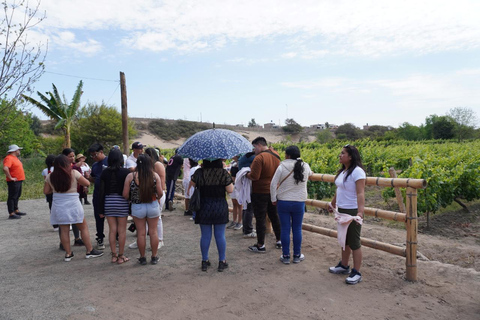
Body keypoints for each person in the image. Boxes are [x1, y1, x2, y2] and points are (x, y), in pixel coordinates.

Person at [44, 155, 104, 261]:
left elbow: (46, 191)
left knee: (64, 230)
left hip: (59, 204)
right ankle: (89, 250)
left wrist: (54, 190)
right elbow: (87, 183)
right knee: (83, 227)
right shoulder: (73, 173)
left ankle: (68, 253)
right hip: (73, 203)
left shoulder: (50, 176)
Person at [328, 144, 366, 285]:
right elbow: (340, 189)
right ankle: (344, 265)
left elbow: (361, 192)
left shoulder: (357, 172)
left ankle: (356, 272)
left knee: (354, 242)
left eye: (343, 153)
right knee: (344, 240)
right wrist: (333, 203)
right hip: (342, 209)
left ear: (350, 156)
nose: (340, 155)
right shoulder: (344, 171)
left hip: (352, 210)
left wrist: (360, 212)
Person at [270, 145, 313, 264]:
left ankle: (286, 255)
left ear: (287, 155)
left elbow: (273, 184)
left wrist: (273, 198)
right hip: (299, 202)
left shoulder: (282, 166)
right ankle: (297, 255)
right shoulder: (305, 166)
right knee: (297, 228)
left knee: (285, 229)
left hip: (283, 201)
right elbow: (310, 173)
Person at [189, 159, 234, 272]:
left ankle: (204, 261)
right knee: (220, 235)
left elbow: (191, 186)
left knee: (205, 235)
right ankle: (222, 261)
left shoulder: (199, 172)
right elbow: (230, 190)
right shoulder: (223, 173)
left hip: (204, 206)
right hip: (219, 206)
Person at [123, 154, 163, 265]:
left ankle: (142, 257)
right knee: (153, 232)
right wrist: (156, 198)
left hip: (137, 206)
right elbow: (160, 193)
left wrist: (132, 198)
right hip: (153, 204)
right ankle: (154, 257)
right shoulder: (154, 176)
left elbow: (125, 194)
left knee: (141, 233)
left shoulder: (131, 176)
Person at [246, 137, 282, 253]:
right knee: (274, 216)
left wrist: (246, 174)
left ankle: (260, 244)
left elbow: (254, 176)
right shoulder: (276, 155)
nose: (254, 150)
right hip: (273, 191)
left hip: (260, 192)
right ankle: (279, 240)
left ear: (259, 145)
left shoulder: (259, 158)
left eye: (254, 147)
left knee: (260, 218)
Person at [99, 148, 131, 264]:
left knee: (112, 230)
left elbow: (101, 192)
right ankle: (121, 256)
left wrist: (100, 209)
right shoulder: (126, 172)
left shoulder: (104, 172)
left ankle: (113, 255)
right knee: (121, 231)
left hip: (108, 202)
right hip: (122, 202)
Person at [62, 148, 85, 248]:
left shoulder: (75, 167)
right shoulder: (61, 167)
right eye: (70, 156)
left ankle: (77, 238)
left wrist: (83, 186)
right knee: (63, 221)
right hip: (64, 196)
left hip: (76, 194)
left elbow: (82, 179)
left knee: (76, 218)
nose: (72, 158)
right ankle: (63, 243)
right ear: (64, 157)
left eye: (73, 156)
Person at [88, 143, 108, 250]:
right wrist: (88, 177)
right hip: (97, 195)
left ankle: (117, 236)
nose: (93, 157)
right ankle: (100, 237)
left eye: (95, 155)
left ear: (101, 152)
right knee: (98, 218)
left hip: (108, 194)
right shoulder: (95, 166)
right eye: (91, 156)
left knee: (112, 217)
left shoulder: (110, 161)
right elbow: (93, 179)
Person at [3, 144, 26, 219]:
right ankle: (11, 213)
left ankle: (16, 210)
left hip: (18, 180)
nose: (19, 151)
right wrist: (10, 177)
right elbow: (5, 168)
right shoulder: (9, 158)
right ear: (15, 151)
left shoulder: (15, 158)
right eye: (18, 150)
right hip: (14, 181)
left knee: (17, 195)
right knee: (12, 197)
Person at [237, 151, 256, 238]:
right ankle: (248, 230)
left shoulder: (243, 158)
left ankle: (246, 228)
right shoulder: (252, 158)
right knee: (249, 209)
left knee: (246, 209)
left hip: (244, 188)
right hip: (250, 188)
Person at [227, 155, 243, 230]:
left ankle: (240, 222)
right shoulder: (233, 162)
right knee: (234, 203)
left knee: (240, 204)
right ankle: (234, 221)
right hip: (233, 185)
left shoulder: (241, 162)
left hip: (239, 186)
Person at [42, 155, 56, 230]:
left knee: (51, 207)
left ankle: (55, 225)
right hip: (56, 190)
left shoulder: (45, 171)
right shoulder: (57, 169)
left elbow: (45, 181)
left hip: (49, 192)